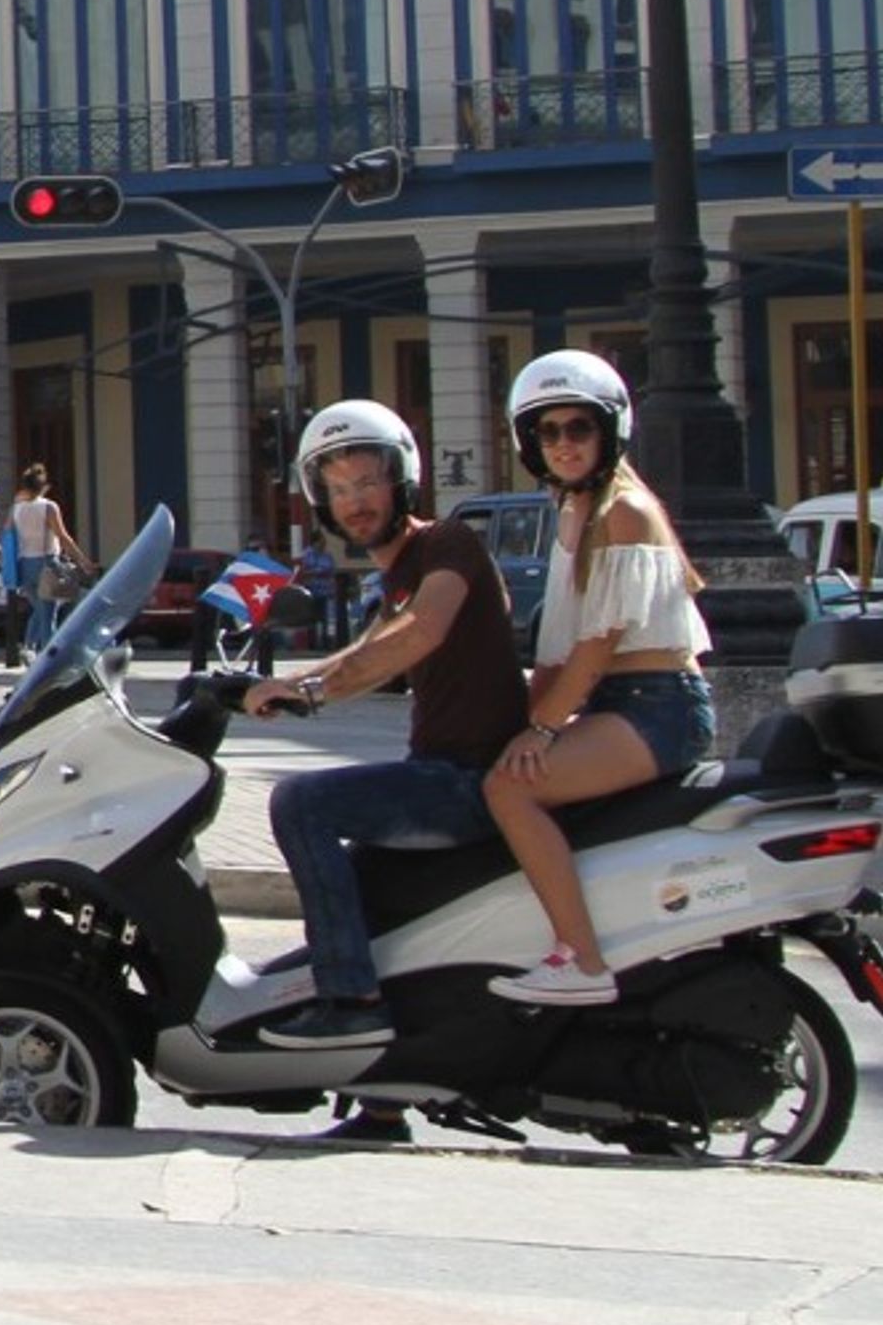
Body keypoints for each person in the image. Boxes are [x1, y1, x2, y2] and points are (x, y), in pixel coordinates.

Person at [238, 397, 528, 1047]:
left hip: (468, 780)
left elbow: (420, 632)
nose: (355, 501)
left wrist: (310, 692)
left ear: (401, 480)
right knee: (365, 903)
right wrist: (282, 684)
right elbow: (372, 645)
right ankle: (377, 1097)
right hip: (440, 774)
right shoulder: (399, 576)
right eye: (338, 489)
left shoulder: (446, 543)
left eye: (367, 482)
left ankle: (351, 1002)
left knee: (300, 804)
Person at [482, 351, 715, 1006]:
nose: (564, 444)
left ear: (608, 431)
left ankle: (582, 961)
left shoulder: (624, 512)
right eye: (548, 432)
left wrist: (541, 729)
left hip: (658, 708)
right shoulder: (575, 513)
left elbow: (595, 645)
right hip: (623, 705)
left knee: (510, 791)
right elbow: (555, 650)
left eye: (578, 429)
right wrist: (512, 720)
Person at [10, 466, 73, 656]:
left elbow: (8, 535)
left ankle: (29, 648)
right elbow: (63, 536)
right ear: (43, 486)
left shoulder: (16, 510)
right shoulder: (49, 507)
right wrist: (83, 560)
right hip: (47, 562)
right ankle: (48, 656)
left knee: (39, 610)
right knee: (48, 615)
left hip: (24, 564)